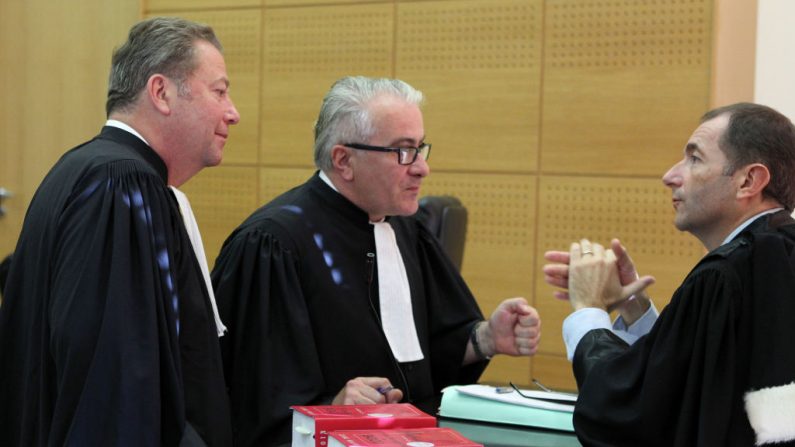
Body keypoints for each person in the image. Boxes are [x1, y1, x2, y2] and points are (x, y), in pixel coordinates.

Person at [211, 76, 541, 446]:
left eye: (420, 148)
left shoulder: (406, 229)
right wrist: (331, 408)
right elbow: (251, 398)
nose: (421, 168)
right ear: (344, 160)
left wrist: (484, 339)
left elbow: (425, 362)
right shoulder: (273, 244)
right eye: (402, 151)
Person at [0, 17, 240, 446]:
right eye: (219, 91)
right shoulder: (123, 186)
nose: (232, 112)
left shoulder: (87, 167)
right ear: (161, 93)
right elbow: (116, 383)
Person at [543, 103, 795, 446]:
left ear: (748, 181)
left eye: (695, 159)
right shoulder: (773, 257)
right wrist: (634, 307)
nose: (670, 176)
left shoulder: (723, 275)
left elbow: (631, 414)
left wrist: (589, 309)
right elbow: (695, 380)